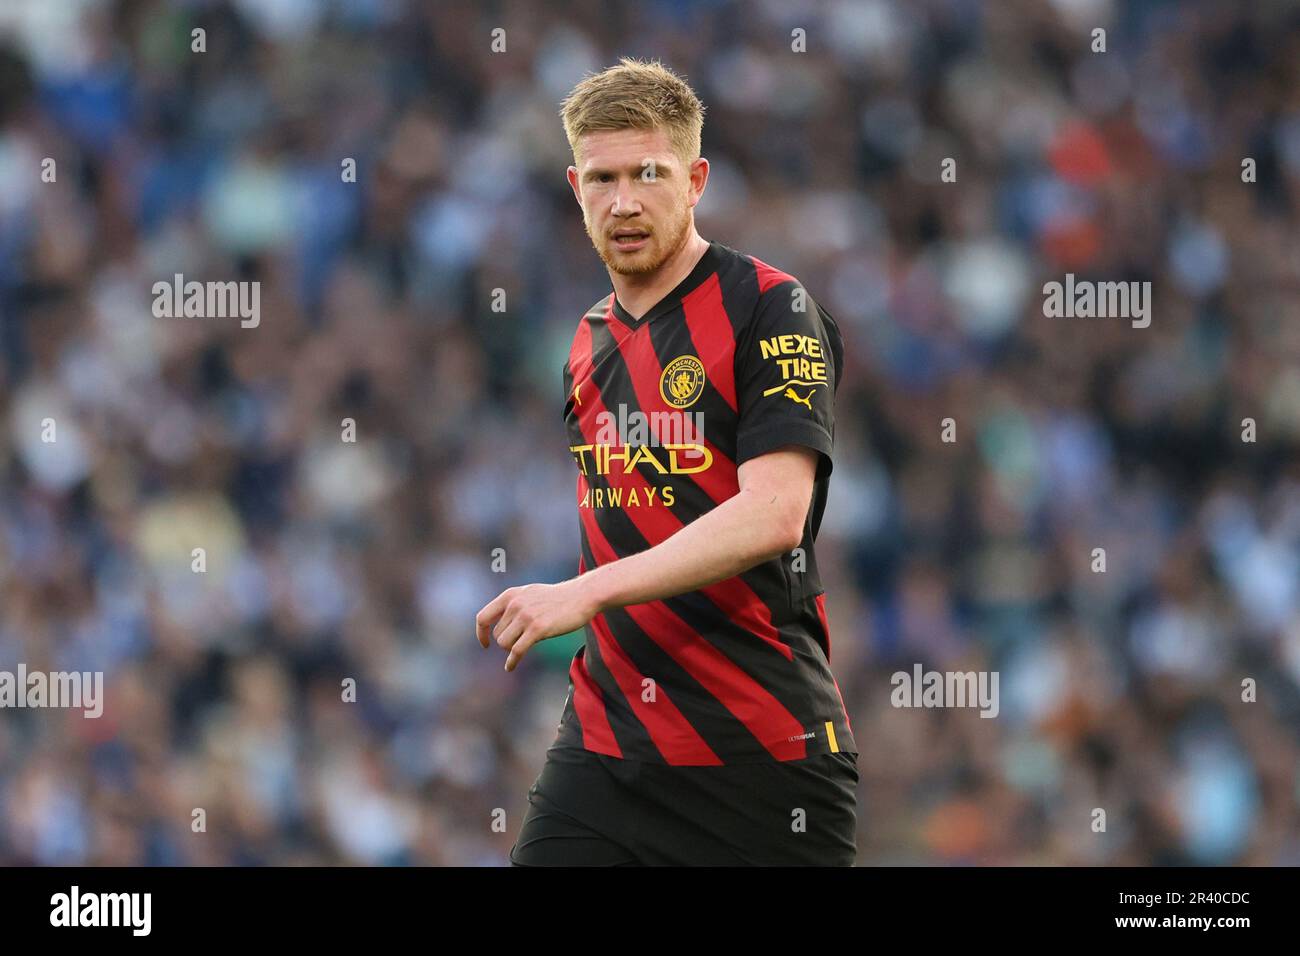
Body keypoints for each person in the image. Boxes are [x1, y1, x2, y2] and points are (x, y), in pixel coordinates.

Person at [476, 57, 858, 866]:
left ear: (695, 180)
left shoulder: (769, 304)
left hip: (762, 756)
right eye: (603, 178)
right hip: (608, 747)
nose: (624, 201)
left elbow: (775, 511)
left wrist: (581, 593)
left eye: (649, 174)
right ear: (575, 186)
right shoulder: (584, 342)